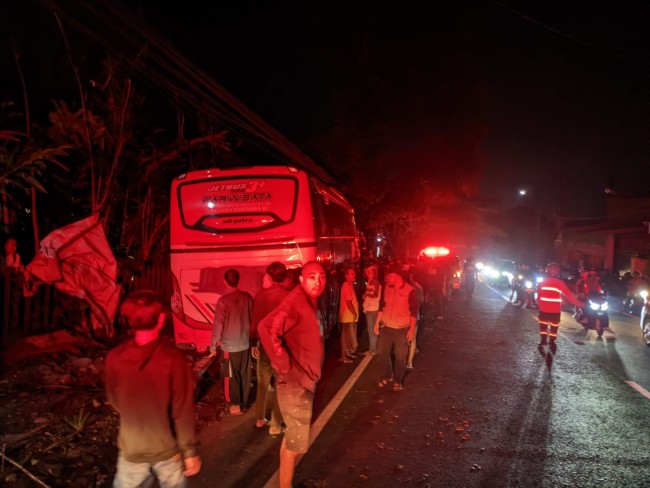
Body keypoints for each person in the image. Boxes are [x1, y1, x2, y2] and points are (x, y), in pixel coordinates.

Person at [105, 290, 201, 487]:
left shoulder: (115, 358)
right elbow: (182, 410)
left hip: (132, 448)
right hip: (167, 449)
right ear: (161, 320)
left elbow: (115, 400)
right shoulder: (174, 360)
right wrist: (189, 451)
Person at [258, 261, 327, 488]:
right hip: (295, 383)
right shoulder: (296, 301)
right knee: (297, 444)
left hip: (304, 380)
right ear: (301, 279)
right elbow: (267, 328)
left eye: (321, 277)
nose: (318, 282)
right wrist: (283, 363)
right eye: (311, 277)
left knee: (294, 440)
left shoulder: (308, 301)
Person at [250, 262, 290, 435]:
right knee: (281, 383)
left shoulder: (260, 295)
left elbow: (254, 321)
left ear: (270, 276)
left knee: (262, 381)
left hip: (263, 344)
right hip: (279, 345)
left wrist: (253, 342)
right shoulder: (287, 296)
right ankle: (275, 423)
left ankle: (260, 418)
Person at [209, 269, 254, 416]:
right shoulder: (247, 298)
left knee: (231, 376)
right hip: (245, 343)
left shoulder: (223, 301)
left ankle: (235, 406)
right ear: (238, 280)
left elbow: (218, 325)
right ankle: (244, 403)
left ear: (225, 281)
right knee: (244, 374)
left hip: (230, 346)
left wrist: (213, 344)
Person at [374, 264, 419, 391]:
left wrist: (411, 330)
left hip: (402, 328)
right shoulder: (386, 288)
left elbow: (414, 311)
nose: (387, 278)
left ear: (397, 276)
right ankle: (388, 375)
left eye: (389, 276)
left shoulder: (410, 290)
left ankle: (398, 380)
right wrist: (377, 323)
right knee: (382, 352)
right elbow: (382, 306)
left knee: (400, 356)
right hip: (387, 327)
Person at [537, 262, 584, 351]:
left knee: (543, 326)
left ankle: (543, 341)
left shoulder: (542, 282)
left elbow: (539, 296)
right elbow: (569, 296)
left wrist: (540, 303)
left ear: (547, 271)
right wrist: (581, 304)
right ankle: (552, 341)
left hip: (543, 310)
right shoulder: (560, 283)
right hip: (555, 311)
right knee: (554, 327)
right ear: (558, 272)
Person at [338, 266, 359, 363]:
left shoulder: (350, 286)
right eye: (351, 274)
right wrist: (354, 313)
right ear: (346, 276)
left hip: (350, 317)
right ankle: (344, 357)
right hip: (347, 317)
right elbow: (348, 302)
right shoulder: (346, 286)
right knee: (346, 337)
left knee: (350, 336)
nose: (354, 275)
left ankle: (349, 353)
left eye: (354, 274)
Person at [406, 268, 425, 370]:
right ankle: (407, 361)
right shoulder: (407, 287)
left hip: (413, 316)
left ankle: (409, 362)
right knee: (408, 339)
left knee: (412, 339)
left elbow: (421, 300)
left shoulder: (416, 288)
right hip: (406, 316)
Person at [362, 265, 381, 355]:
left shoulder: (373, 282)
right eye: (368, 272)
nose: (368, 274)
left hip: (371, 309)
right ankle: (374, 348)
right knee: (373, 329)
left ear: (374, 273)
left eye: (370, 272)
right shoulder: (371, 281)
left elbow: (374, 294)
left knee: (372, 330)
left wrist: (367, 294)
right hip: (372, 308)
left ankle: (373, 349)